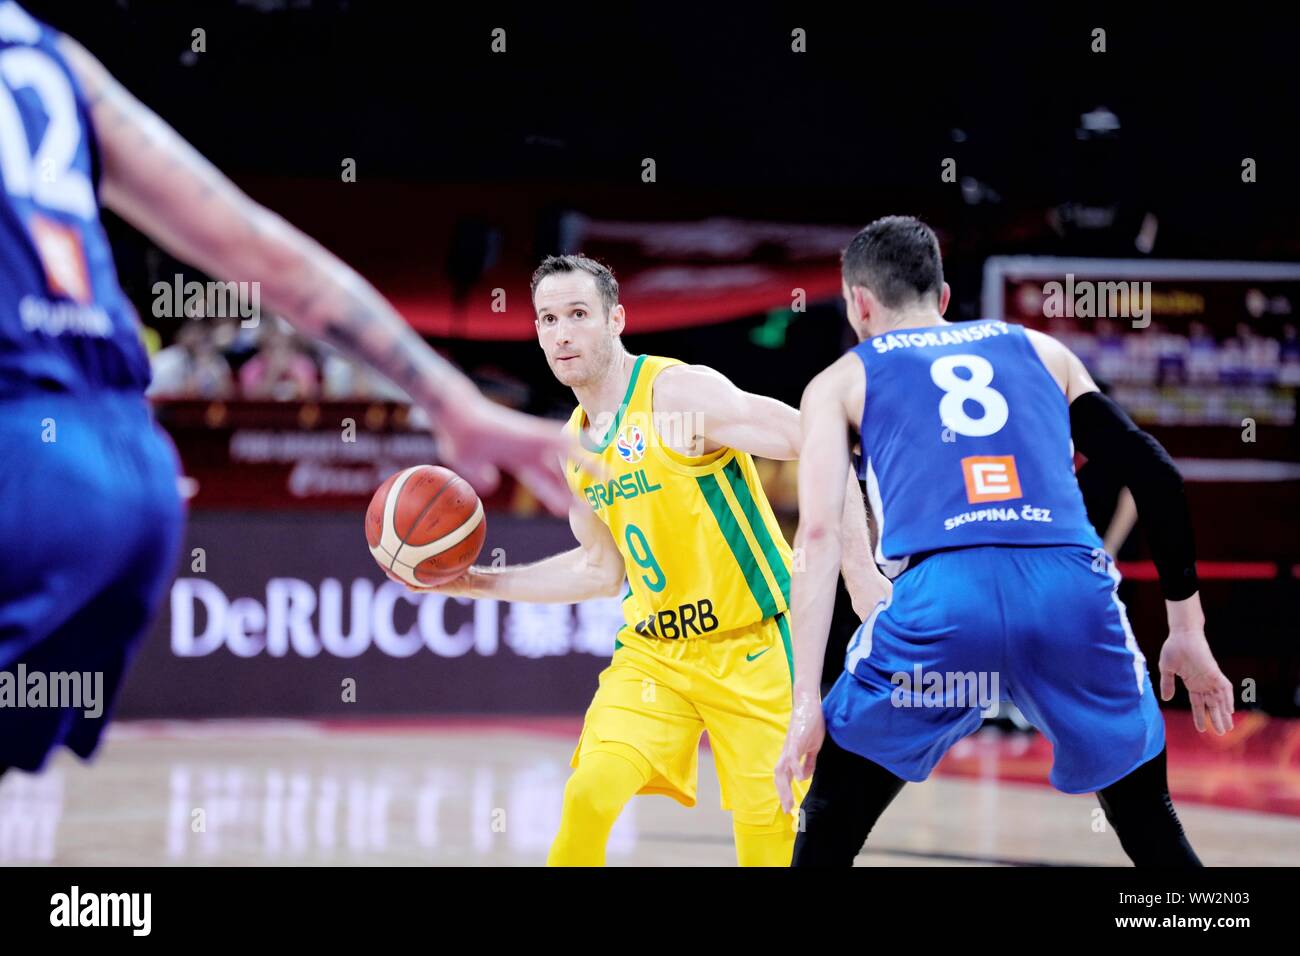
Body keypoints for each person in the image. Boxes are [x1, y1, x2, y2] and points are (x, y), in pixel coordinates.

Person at [0, 1, 578, 775]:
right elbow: (255, 249)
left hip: (22, 457)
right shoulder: (45, 54)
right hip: (127, 476)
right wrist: (452, 401)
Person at [775, 215, 1233, 866]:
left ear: (859, 304)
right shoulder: (1043, 351)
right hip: (1071, 596)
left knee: (828, 821)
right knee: (1150, 827)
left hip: (943, 607)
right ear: (942, 298)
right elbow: (1154, 472)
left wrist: (804, 705)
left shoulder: (841, 380)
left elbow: (817, 536)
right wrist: (1186, 630)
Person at [425, 254, 879, 866]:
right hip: (655, 659)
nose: (561, 333)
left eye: (578, 315)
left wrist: (860, 570)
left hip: (751, 651)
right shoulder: (572, 444)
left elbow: (819, 440)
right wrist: (479, 581)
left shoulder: (677, 395)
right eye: (547, 319)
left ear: (617, 319)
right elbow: (599, 569)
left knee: (769, 844)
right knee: (589, 792)